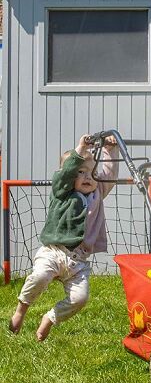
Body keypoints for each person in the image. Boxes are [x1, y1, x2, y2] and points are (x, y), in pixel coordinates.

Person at [9, 134, 118, 341]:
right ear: (69, 176)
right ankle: (21, 309)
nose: (88, 177)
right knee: (39, 277)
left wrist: (109, 150)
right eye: (81, 172)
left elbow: (109, 175)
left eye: (92, 173)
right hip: (54, 252)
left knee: (80, 298)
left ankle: (50, 319)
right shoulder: (62, 192)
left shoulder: (97, 195)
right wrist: (80, 149)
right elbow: (64, 175)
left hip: (79, 261)